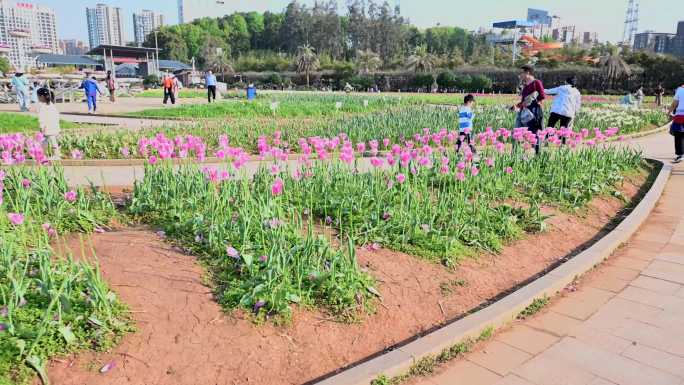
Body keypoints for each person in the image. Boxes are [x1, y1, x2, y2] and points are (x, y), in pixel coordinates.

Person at [512, 65, 546, 154]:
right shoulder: (525, 86)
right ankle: (514, 154)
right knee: (517, 132)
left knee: (534, 133)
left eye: (522, 73)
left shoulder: (536, 83)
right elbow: (523, 101)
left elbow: (542, 96)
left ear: (528, 73)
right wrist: (516, 106)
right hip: (524, 112)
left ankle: (538, 154)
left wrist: (533, 101)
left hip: (533, 113)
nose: (521, 75)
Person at [545, 76, 582, 143]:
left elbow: (548, 91)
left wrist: (538, 89)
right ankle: (562, 143)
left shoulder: (561, 88)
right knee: (564, 129)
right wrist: (575, 113)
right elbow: (577, 104)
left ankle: (547, 141)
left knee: (550, 126)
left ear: (566, 82)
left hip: (556, 111)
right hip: (568, 113)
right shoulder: (577, 92)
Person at [36, 87, 61, 160]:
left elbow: (41, 118)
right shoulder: (52, 105)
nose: (37, 98)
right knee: (45, 141)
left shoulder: (42, 107)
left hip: (48, 127)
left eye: (38, 96)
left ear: (41, 97)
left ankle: (56, 155)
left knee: (52, 141)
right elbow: (57, 115)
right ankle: (43, 154)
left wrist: (41, 126)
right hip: (54, 126)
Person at [668, 83, 684, 164]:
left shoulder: (680, 90)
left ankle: (680, 155)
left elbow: (674, 104)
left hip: (681, 115)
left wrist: (669, 112)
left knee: (679, 135)